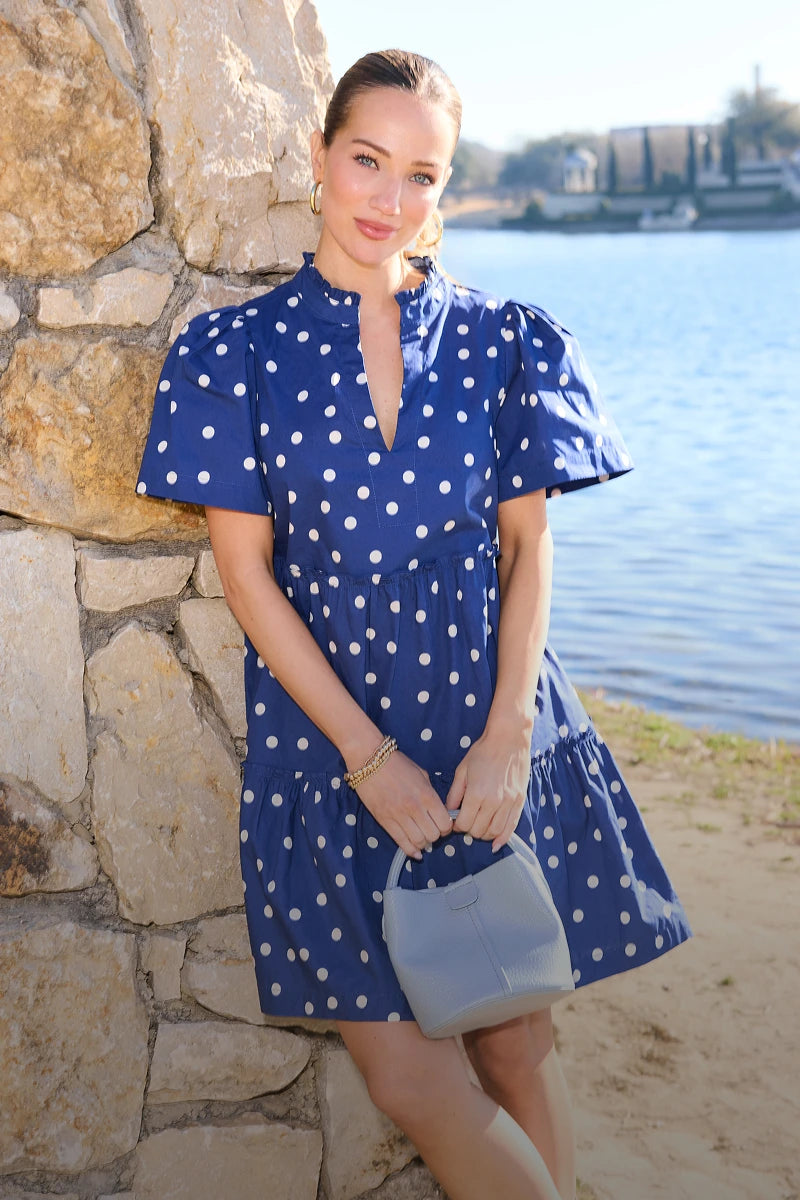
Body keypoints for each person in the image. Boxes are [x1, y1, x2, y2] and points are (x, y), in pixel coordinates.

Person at [137, 48, 691, 1200]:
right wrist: (367, 758)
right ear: (320, 158)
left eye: (422, 175)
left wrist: (506, 740)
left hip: (490, 724)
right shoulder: (231, 352)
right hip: (331, 743)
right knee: (412, 1081)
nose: (389, 199)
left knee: (512, 1042)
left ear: (446, 188)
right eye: (367, 161)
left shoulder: (503, 341)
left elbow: (528, 548)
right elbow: (246, 578)